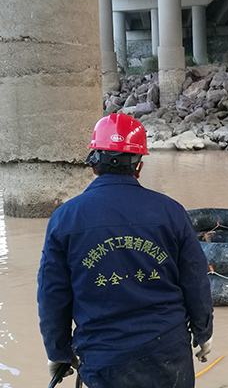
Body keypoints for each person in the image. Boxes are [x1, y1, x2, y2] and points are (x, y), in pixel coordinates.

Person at [37, 113, 213, 388]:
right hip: (169, 355)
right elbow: (196, 279)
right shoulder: (172, 212)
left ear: (94, 164)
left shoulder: (65, 219)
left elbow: (52, 295)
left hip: (103, 360)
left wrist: (58, 351)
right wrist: (203, 333)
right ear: (139, 166)